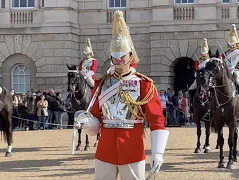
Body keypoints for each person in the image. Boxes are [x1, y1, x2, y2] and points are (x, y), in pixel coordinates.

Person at [75, 10, 169, 180]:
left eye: (122, 57)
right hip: (105, 151)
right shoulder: (101, 83)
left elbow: (156, 119)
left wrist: (158, 153)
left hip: (132, 149)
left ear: (130, 55)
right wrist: (87, 122)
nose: (118, 61)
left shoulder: (144, 84)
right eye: (115, 58)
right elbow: (97, 121)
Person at [202, 24, 239, 122]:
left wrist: (238, 72)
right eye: (230, 45)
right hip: (226, 75)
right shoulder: (224, 55)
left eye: (233, 45)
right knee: (213, 87)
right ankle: (210, 110)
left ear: (236, 44)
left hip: (237, 75)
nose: (231, 46)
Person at [188, 38, 211, 113]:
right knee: (191, 89)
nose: (203, 56)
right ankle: (191, 105)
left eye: (205, 54)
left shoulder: (210, 62)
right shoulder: (197, 62)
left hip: (208, 79)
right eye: (202, 54)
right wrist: (198, 71)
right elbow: (195, 71)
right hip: (199, 79)